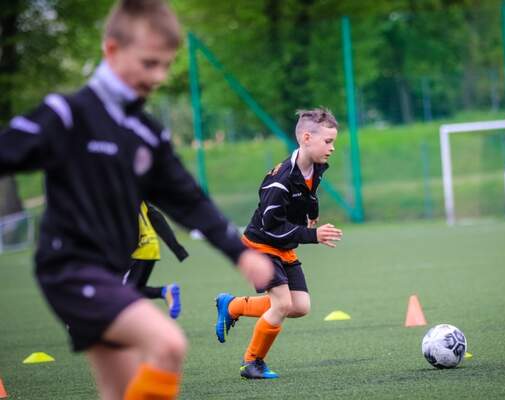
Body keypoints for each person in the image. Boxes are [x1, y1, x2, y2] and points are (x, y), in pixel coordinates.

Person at [0, 1, 273, 399]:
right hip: (71, 268)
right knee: (168, 344)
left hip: (111, 273)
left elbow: (189, 200)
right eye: (149, 63)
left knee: (121, 388)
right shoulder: (67, 114)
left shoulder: (147, 133)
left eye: (165, 65)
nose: (158, 76)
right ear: (112, 50)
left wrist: (239, 252)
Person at [214, 108, 343, 379]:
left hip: (282, 246)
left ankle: (233, 306)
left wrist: (312, 212)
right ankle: (252, 362)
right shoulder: (279, 181)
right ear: (306, 138)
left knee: (300, 306)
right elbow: (272, 227)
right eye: (328, 141)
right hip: (260, 245)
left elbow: (310, 192)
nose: (332, 148)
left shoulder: (316, 166)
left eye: (333, 142)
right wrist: (313, 235)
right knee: (282, 304)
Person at [123, 202, 188, 319]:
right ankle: (165, 291)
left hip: (137, 249)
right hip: (150, 246)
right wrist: (177, 248)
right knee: (135, 288)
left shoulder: (113, 196)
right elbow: (157, 218)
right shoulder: (136, 194)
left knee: (120, 290)